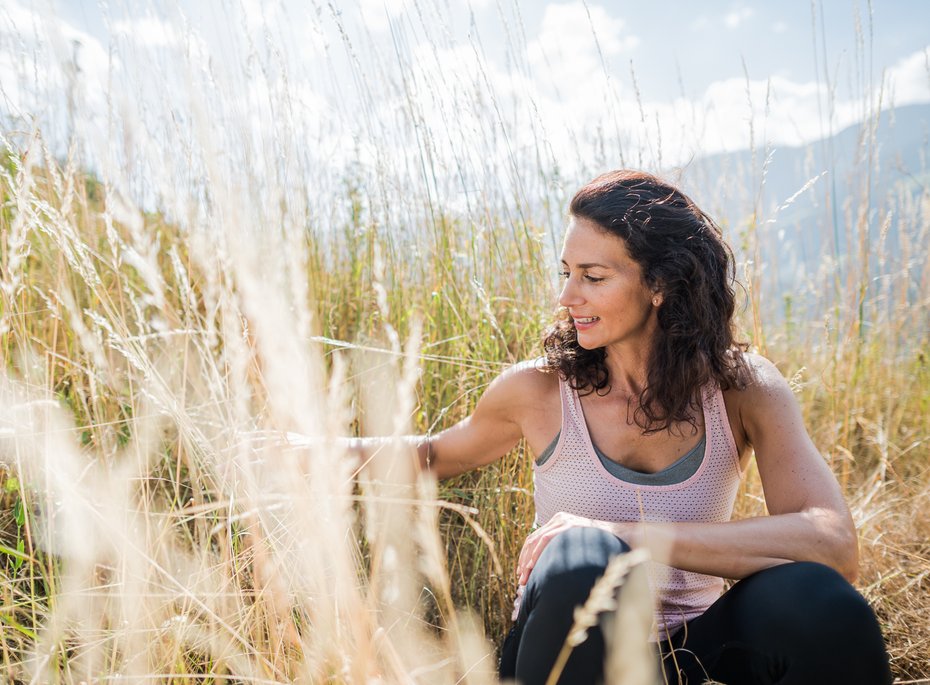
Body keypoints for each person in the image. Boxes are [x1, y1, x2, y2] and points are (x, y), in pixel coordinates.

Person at [365, 170, 893, 684]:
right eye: (565, 273)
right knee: (581, 556)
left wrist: (632, 536)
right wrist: (308, 451)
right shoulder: (539, 390)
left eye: (593, 278)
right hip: (568, 654)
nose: (567, 297)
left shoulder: (741, 387)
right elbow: (435, 453)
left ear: (661, 284)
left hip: (693, 650)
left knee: (817, 601)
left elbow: (833, 544)